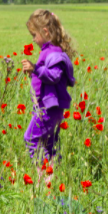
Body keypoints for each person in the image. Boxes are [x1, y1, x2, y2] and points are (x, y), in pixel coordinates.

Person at [21, 9, 76, 181]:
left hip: (47, 109)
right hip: (48, 108)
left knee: (31, 139)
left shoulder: (53, 53)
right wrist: (35, 73)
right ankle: (53, 177)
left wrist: (35, 68)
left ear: (45, 32)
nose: (33, 39)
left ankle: (44, 176)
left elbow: (54, 76)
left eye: (34, 35)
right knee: (50, 145)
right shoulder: (50, 50)